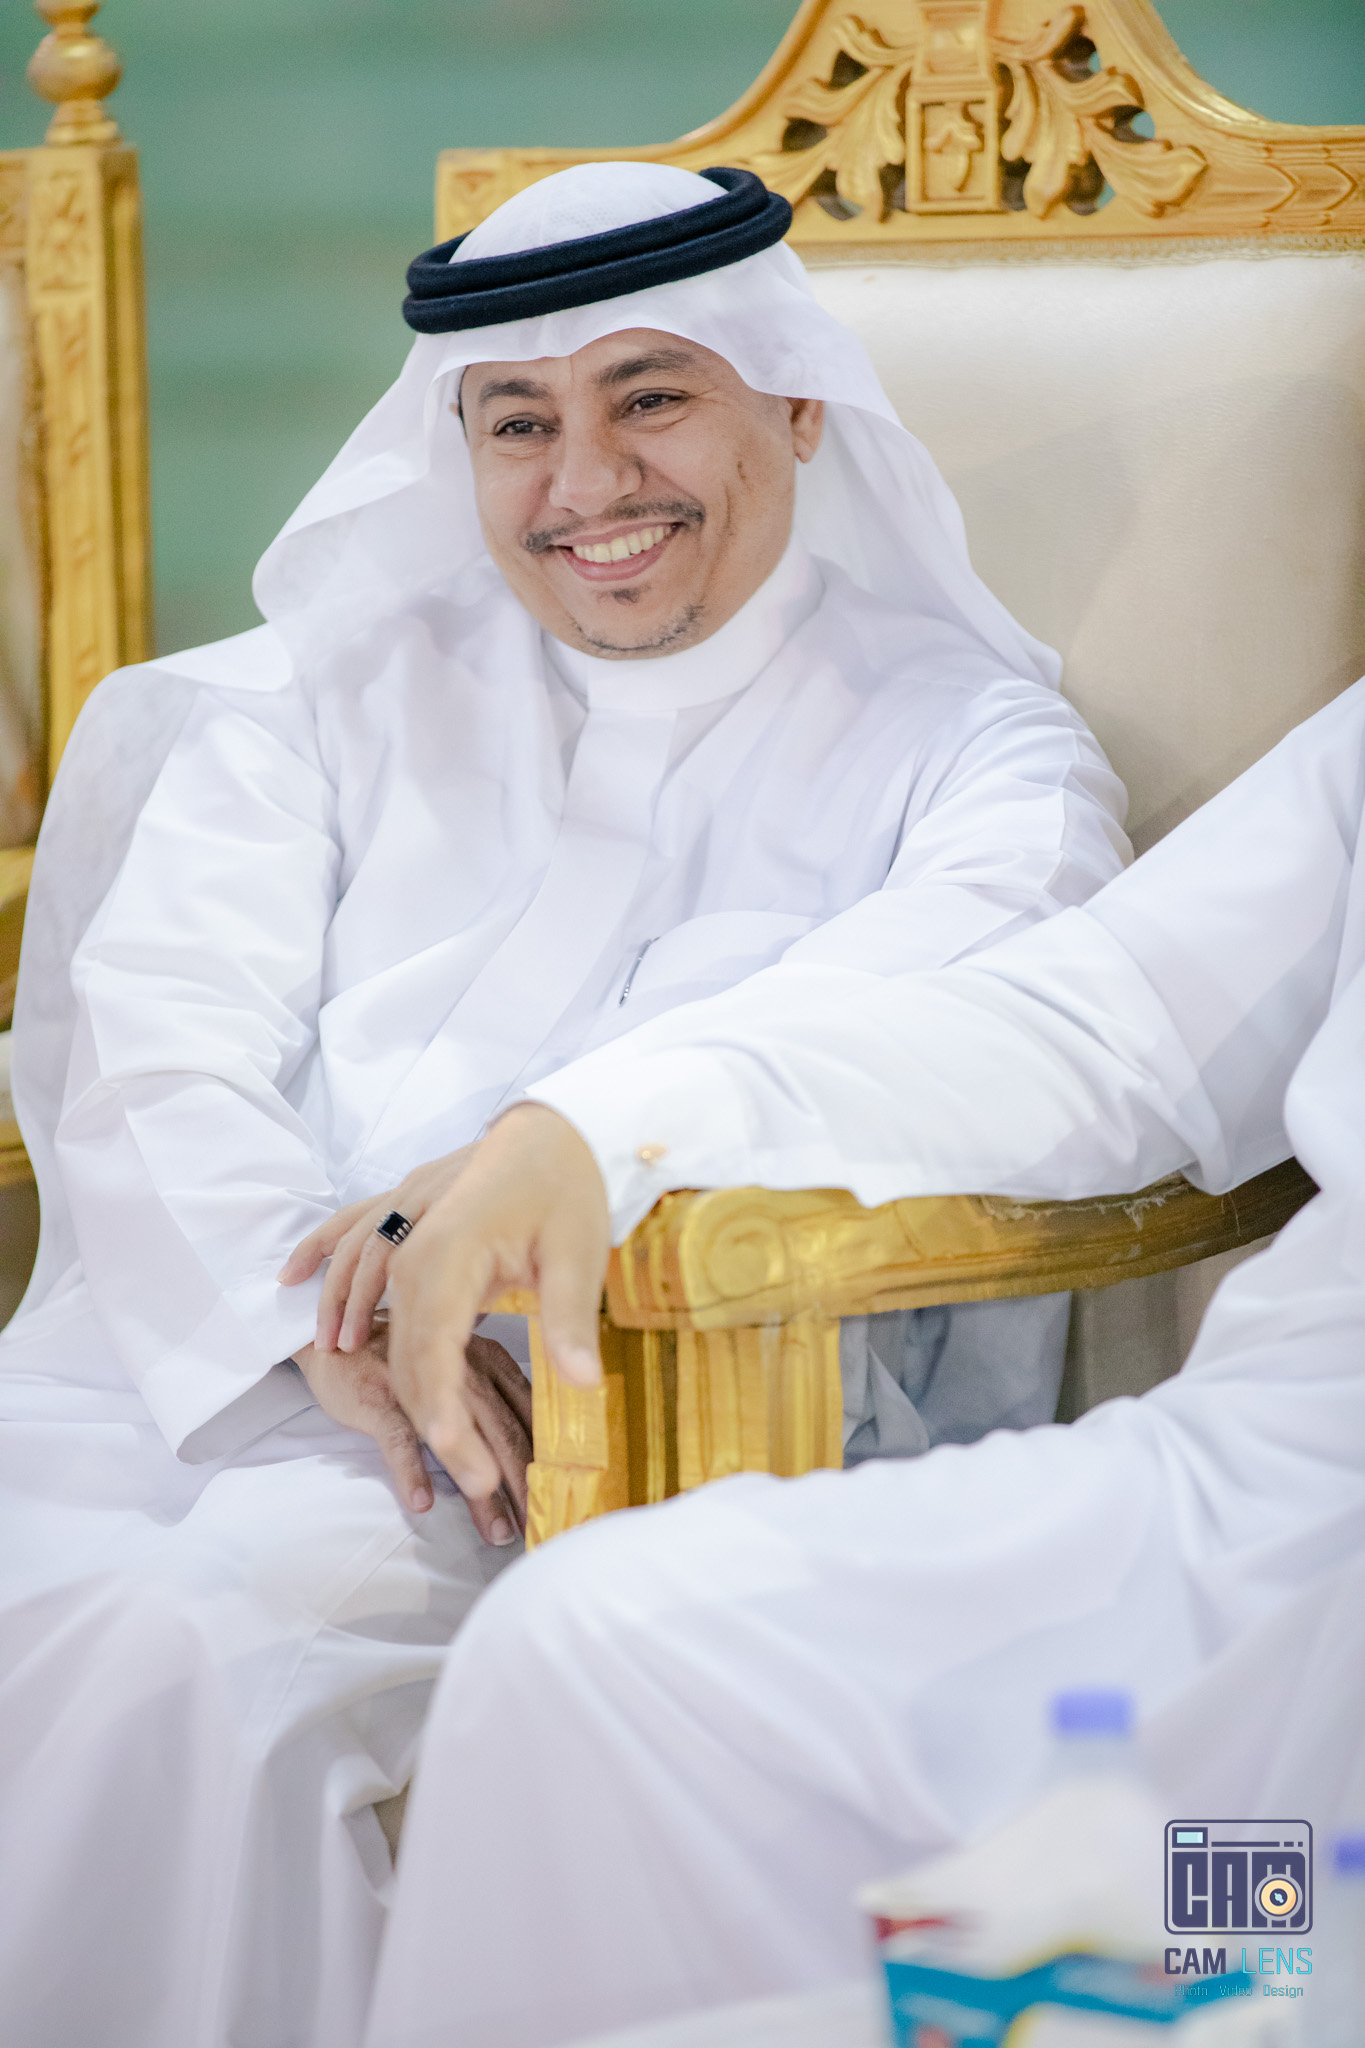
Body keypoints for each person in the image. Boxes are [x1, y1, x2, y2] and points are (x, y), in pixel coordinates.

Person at [0, 163, 1126, 2048]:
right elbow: (157, 1037)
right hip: (210, 1359)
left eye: (650, 398)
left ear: (794, 401)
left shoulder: (971, 742)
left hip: (611, 1427)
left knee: (186, 1657)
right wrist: (317, 1326)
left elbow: (949, 1007)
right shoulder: (332, 693)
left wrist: (533, 1166)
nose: (587, 482)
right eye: (519, 423)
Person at [367, 680, 1365, 2048]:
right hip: (1276, 1482)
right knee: (585, 1647)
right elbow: (1110, 1028)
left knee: (1238, 1952)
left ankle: (1201, 1952)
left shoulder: (967, 728)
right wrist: (594, 1130)